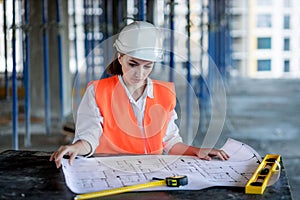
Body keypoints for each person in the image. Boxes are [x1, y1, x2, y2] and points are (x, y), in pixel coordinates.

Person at [50, 21, 229, 168]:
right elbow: (90, 135)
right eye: (133, 64)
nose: (140, 73)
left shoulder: (165, 94)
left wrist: (196, 150)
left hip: (151, 172)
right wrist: (76, 147)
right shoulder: (98, 92)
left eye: (147, 66)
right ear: (120, 58)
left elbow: (170, 141)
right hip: (108, 170)